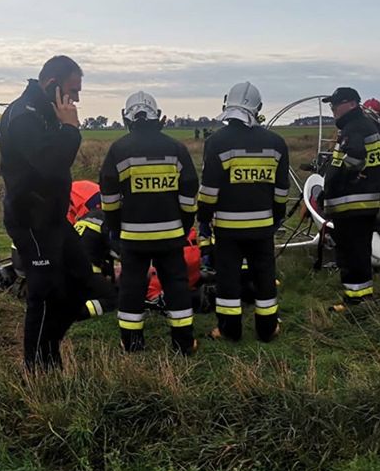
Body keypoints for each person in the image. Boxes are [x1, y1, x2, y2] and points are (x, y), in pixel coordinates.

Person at [0, 55, 87, 372]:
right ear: (52, 85)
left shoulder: (45, 111)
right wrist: (70, 128)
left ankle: (49, 349)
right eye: (73, 90)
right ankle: (37, 367)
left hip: (52, 217)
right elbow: (51, 163)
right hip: (30, 218)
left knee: (81, 280)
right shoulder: (24, 116)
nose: (76, 98)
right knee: (43, 291)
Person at [100, 91, 198, 355]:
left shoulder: (118, 149)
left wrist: (116, 227)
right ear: (158, 116)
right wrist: (184, 225)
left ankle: (131, 343)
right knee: (176, 285)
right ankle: (183, 343)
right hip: (171, 235)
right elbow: (189, 193)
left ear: (127, 118)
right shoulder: (176, 149)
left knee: (132, 287)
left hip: (132, 237)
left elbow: (109, 199)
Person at [197, 81, 289, 342]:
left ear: (228, 104)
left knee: (229, 279)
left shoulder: (216, 142)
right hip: (263, 226)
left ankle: (229, 330)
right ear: (257, 108)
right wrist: (276, 217)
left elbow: (209, 190)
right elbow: (281, 189)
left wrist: (204, 218)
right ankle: (268, 328)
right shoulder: (276, 142)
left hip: (227, 228)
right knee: (264, 277)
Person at [321, 87, 380, 310]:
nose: (333, 110)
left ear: (350, 104)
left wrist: (331, 185)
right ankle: (360, 298)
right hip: (361, 202)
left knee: (351, 253)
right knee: (358, 251)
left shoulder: (355, 127)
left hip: (352, 202)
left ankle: (356, 302)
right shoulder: (364, 125)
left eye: (335, 105)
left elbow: (353, 161)